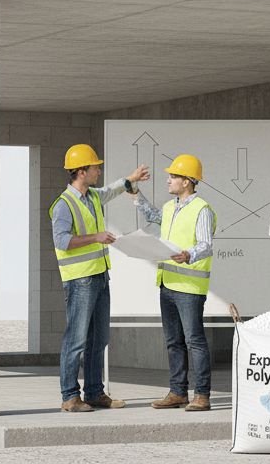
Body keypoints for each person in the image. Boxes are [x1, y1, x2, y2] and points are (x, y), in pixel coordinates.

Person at [51, 143, 149, 412]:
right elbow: (61, 241)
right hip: (80, 280)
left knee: (99, 339)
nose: (99, 170)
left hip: (99, 277)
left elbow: (110, 191)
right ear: (81, 171)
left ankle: (94, 392)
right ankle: (70, 397)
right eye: (95, 167)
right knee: (76, 340)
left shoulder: (92, 196)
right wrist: (97, 237)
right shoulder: (63, 205)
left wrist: (131, 179)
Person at [127, 153, 216, 412]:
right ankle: (178, 392)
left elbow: (206, 246)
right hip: (167, 283)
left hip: (189, 288)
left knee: (194, 341)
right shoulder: (170, 207)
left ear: (187, 181)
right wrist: (134, 192)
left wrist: (188, 255)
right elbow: (152, 215)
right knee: (173, 341)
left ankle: (202, 395)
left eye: (173, 176)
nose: (168, 180)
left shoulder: (202, 209)